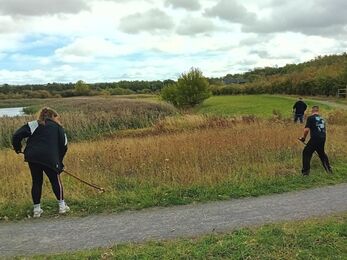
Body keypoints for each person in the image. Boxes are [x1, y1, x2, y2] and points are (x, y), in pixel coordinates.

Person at [12, 107, 69, 218]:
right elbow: (64, 146)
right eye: (57, 117)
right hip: (50, 158)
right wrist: (59, 163)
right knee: (55, 180)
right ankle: (62, 207)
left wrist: (17, 148)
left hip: (33, 157)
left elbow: (16, 135)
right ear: (53, 116)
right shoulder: (59, 128)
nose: (58, 119)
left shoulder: (34, 124)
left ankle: (37, 210)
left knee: (37, 182)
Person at [299, 106, 332, 176]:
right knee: (321, 153)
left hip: (315, 138)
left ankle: (305, 173)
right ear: (318, 111)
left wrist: (303, 138)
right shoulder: (322, 119)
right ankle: (329, 171)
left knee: (306, 152)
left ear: (312, 111)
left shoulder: (310, 118)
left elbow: (306, 130)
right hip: (323, 138)